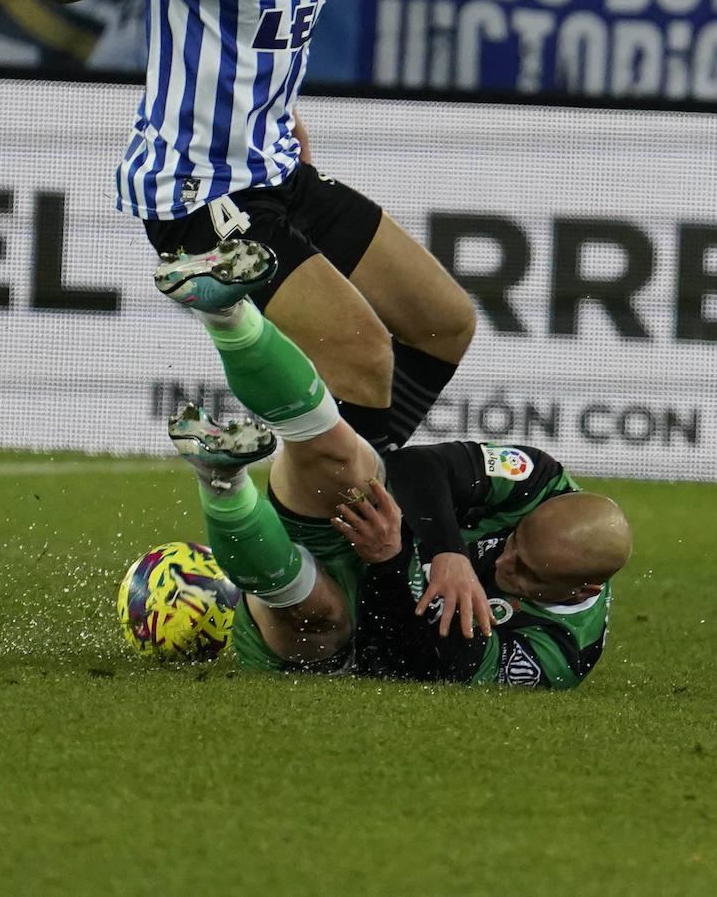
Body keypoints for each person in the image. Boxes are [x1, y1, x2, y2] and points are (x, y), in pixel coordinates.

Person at [34, 0, 475, 455]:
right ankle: (332, 530)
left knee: (444, 321)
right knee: (363, 355)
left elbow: (261, 31)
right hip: (199, 191)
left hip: (276, 168)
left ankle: (358, 489)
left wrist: (279, 104)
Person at [152, 238, 632, 686]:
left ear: (580, 589)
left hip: (345, 637)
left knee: (323, 616)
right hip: (360, 535)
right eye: (514, 543)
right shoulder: (540, 483)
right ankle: (227, 312)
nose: (505, 561)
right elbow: (417, 469)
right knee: (344, 458)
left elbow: (412, 664)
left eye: (527, 571)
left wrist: (392, 561)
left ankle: (222, 478)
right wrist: (448, 552)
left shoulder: (561, 652)